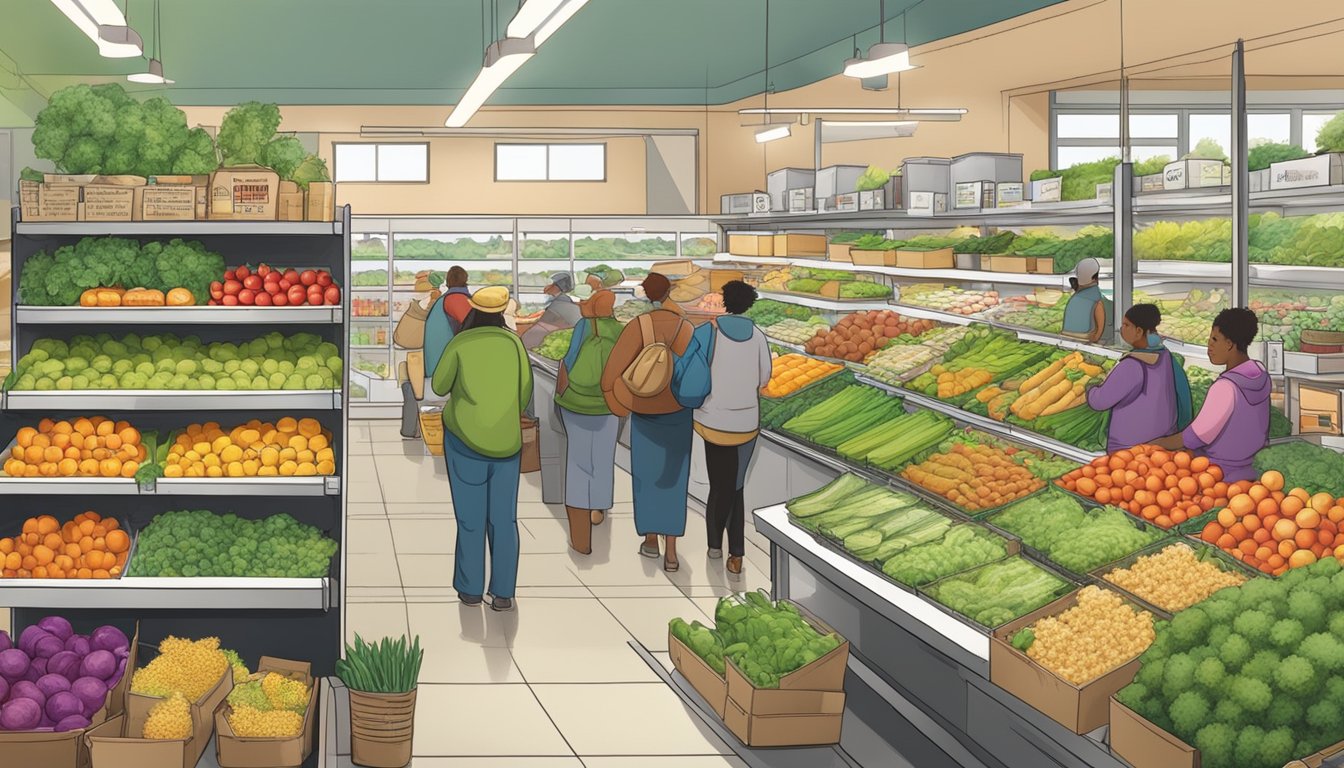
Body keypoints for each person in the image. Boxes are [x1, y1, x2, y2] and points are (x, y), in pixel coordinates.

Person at [431, 286, 533, 612]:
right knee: (504, 519)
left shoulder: (460, 343)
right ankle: (503, 592)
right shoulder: (514, 344)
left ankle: (471, 588)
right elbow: (525, 391)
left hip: (464, 441)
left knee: (470, 518)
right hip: (507, 443)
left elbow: (439, 386)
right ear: (503, 311)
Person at [601, 273, 695, 572]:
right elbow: (697, 371)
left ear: (645, 293)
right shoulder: (687, 328)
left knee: (646, 476)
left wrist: (615, 402)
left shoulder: (638, 326)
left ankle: (651, 539)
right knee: (674, 479)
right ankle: (672, 550)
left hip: (644, 411)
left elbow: (611, 372)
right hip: (679, 411)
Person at [687, 281, 771, 575]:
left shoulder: (706, 332)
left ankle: (714, 545)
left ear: (724, 302)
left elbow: (689, 370)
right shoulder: (759, 337)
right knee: (735, 486)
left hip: (713, 420)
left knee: (719, 485)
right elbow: (764, 379)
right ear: (749, 305)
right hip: (747, 422)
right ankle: (736, 554)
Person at [1152, 308, 1269, 483]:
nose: (1209, 345)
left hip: (1217, 474)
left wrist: (1158, 443)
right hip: (1251, 469)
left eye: (1215, 339)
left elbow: (1195, 437)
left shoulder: (1226, 387)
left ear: (1229, 344)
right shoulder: (1260, 374)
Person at [555, 289, 624, 554]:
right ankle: (598, 507)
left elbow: (570, 360)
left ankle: (580, 528)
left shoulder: (584, 326)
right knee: (604, 458)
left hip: (575, 402)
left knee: (579, 461)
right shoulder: (620, 330)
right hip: (607, 404)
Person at [1085, 304, 1193, 453]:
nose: (1121, 329)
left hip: (1130, 450)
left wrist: (1090, 387)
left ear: (1138, 331)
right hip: (1160, 445)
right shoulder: (1165, 355)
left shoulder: (1132, 365)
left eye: (1126, 325)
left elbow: (1100, 401)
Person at [424, 266, 472, 385]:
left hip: (438, 364)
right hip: (445, 369)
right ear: (465, 279)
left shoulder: (447, 298)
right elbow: (472, 326)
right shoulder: (456, 298)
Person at [521, 271, 582, 349]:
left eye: (552, 284)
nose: (547, 286)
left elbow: (545, 319)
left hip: (564, 332)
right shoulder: (559, 299)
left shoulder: (561, 301)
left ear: (558, 287)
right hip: (562, 328)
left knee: (529, 336)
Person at [1061, 258, 1113, 344]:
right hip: (1086, 338)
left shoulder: (1075, 297)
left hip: (1067, 337)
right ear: (1095, 277)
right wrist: (1096, 337)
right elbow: (1099, 312)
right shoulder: (1094, 295)